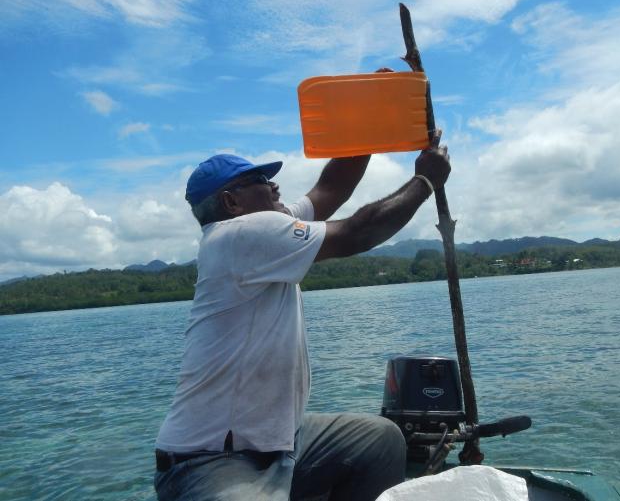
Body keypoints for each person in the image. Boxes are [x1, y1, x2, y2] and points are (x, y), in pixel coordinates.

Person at [154, 131, 451, 501]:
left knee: (381, 440)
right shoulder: (241, 234)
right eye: (260, 181)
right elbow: (358, 233)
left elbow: (329, 189)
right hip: (211, 459)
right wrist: (425, 181)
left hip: (279, 442)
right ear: (232, 202)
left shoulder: (265, 229)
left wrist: (369, 127)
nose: (274, 186)